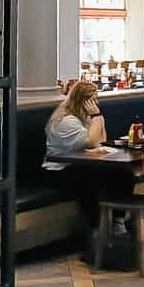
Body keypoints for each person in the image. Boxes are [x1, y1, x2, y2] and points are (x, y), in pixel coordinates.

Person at [43, 80, 129, 234]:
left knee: (123, 173)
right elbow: (92, 143)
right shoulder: (66, 120)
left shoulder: (86, 117)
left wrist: (98, 118)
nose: (96, 104)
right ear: (81, 101)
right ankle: (96, 229)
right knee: (92, 177)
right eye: (93, 100)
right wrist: (97, 116)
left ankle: (118, 221)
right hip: (58, 170)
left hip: (79, 165)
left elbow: (101, 141)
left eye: (96, 100)